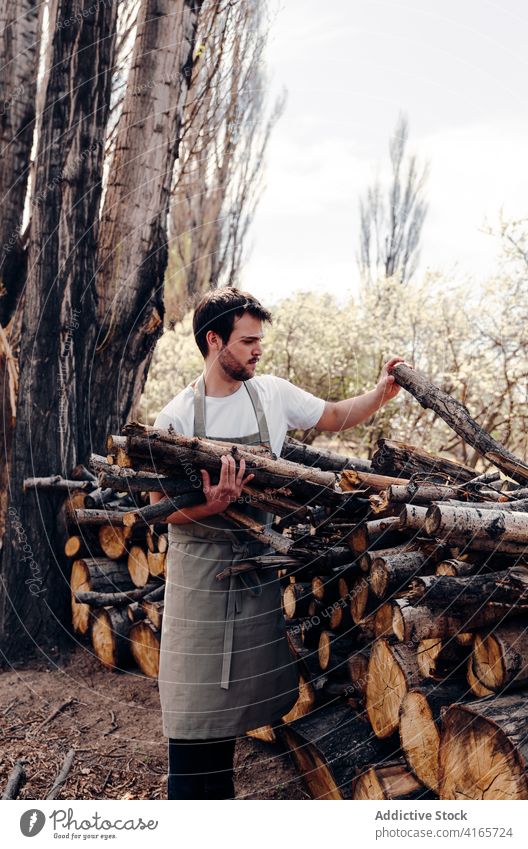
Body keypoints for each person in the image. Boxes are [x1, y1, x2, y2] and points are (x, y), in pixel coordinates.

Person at [149, 286, 408, 800]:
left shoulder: (270, 395)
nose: (257, 350)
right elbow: (159, 510)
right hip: (199, 582)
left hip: (255, 580)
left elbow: (334, 415)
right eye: (247, 341)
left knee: (235, 719)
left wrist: (381, 392)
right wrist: (211, 507)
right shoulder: (174, 419)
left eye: (259, 340)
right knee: (193, 719)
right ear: (213, 340)